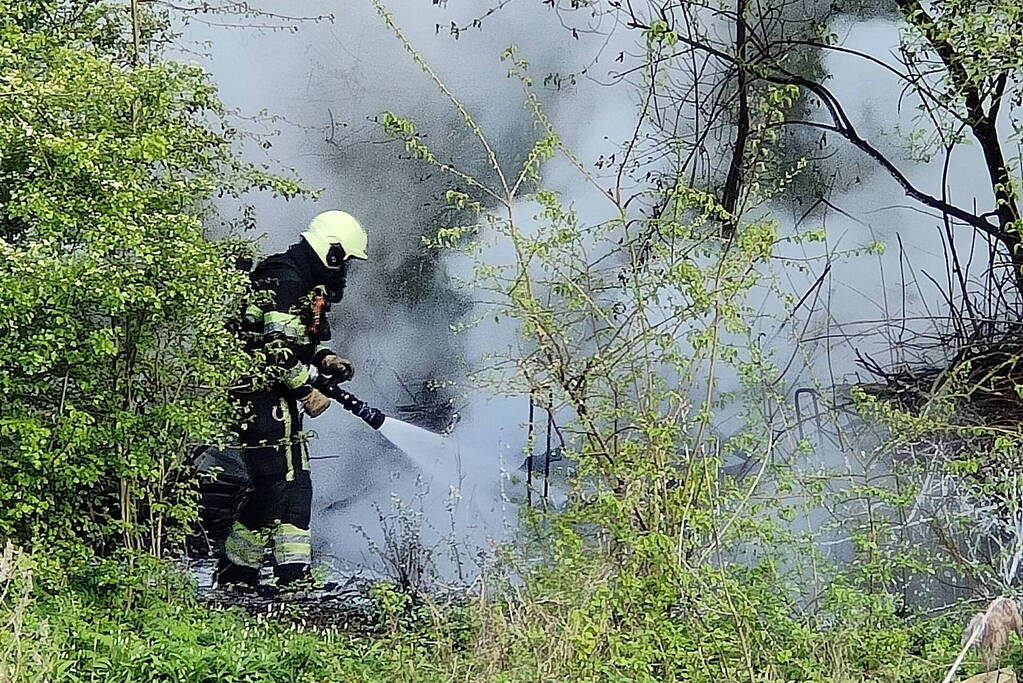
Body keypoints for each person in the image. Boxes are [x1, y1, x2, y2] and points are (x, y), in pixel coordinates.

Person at [216, 210, 368, 588]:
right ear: (331, 252)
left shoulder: (302, 282)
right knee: (272, 482)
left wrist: (324, 359)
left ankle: (293, 575)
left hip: (276, 393)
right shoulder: (283, 279)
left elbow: (296, 343)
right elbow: (274, 351)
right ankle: (236, 573)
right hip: (257, 392)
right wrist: (306, 391)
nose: (344, 269)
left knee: (296, 484)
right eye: (344, 259)